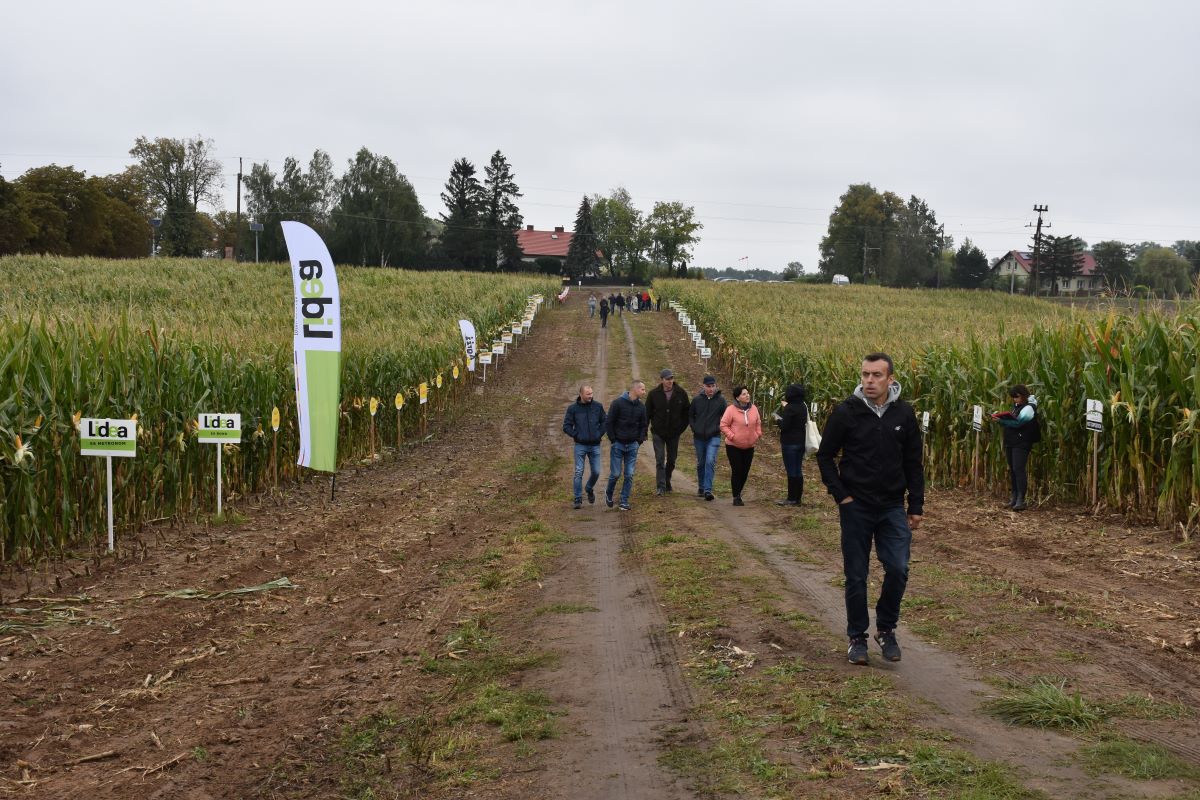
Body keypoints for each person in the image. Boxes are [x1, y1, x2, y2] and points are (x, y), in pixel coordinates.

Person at [816, 353, 924, 666]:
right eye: (865, 375)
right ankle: (857, 638)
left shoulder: (904, 414)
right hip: (857, 507)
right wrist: (842, 496)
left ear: (891, 379)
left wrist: (915, 504)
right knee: (856, 575)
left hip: (891, 506)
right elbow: (825, 456)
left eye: (877, 375)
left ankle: (886, 629)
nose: (870, 381)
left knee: (899, 567)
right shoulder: (846, 412)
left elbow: (913, 462)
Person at [992, 384, 1040, 511]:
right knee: (1013, 469)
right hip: (1011, 442)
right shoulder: (1016, 407)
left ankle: (1021, 499)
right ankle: (1014, 497)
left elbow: (1019, 423)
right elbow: (1013, 421)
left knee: (1018, 469)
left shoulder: (1029, 408)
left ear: (1023, 395)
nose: (1015, 400)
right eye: (1013, 398)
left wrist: (1001, 421)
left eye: (1017, 397)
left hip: (1022, 443)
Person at [645, 368, 692, 495]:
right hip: (658, 432)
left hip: (674, 433)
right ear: (662, 380)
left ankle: (667, 479)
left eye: (671, 378)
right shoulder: (653, 394)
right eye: (667, 379)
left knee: (672, 459)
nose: (670, 381)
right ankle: (660, 486)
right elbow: (647, 414)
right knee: (660, 459)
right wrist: (645, 430)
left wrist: (680, 428)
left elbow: (687, 413)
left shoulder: (681, 393)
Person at [605, 379, 648, 511]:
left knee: (629, 474)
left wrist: (639, 440)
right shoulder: (617, 403)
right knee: (616, 473)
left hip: (632, 445)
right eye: (642, 389)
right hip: (618, 444)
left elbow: (643, 425)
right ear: (635, 389)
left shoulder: (641, 407)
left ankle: (624, 500)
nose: (644, 392)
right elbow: (609, 422)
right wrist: (613, 439)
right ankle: (609, 493)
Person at [563, 385, 607, 509]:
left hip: (595, 445)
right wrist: (576, 435)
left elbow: (605, 422)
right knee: (578, 472)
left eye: (591, 393)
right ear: (581, 394)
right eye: (588, 394)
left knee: (597, 472)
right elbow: (566, 426)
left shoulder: (598, 406)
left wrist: (599, 433)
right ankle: (577, 498)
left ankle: (588, 488)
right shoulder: (573, 409)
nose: (590, 396)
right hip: (580, 445)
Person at [720, 384, 762, 506]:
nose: (747, 395)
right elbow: (723, 425)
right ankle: (736, 496)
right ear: (738, 397)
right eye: (744, 394)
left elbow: (758, 422)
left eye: (748, 393)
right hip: (733, 446)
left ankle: (738, 492)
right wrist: (733, 436)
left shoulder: (753, 409)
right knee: (737, 470)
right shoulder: (731, 410)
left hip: (749, 446)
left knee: (745, 471)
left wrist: (757, 434)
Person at [690, 375, 726, 500]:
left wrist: (720, 427)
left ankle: (707, 490)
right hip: (699, 437)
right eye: (708, 386)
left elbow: (726, 416)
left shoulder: (721, 400)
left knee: (710, 460)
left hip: (714, 436)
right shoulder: (697, 400)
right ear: (703, 386)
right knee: (701, 463)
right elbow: (691, 415)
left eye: (713, 386)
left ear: (716, 386)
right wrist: (695, 428)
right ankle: (701, 486)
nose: (711, 389)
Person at [774, 383, 808, 506]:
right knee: (798, 470)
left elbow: (785, 426)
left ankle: (791, 498)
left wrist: (777, 419)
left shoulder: (790, 408)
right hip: (801, 442)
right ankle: (798, 498)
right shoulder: (803, 406)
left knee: (791, 471)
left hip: (790, 443)